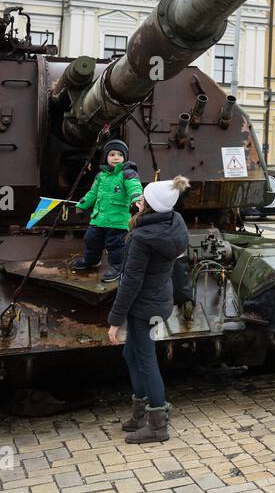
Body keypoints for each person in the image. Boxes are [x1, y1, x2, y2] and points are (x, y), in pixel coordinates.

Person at [108, 175, 191, 444]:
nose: (138, 200)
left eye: (143, 197)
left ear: (151, 205)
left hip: (144, 306)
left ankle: (157, 425)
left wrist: (115, 319)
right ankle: (142, 414)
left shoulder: (142, 238)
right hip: (157, 300)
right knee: (131, 355)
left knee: (146, 360)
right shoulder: (173, 222)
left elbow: (130, 282)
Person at [73, 140, 144, 282]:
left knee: (115, 245)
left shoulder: (128, 174)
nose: (116, 157)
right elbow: (93, 193)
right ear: (106, 157)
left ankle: (117, 267)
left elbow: (135, 188)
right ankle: (91, 260)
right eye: (112, 154)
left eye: (120, 155)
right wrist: (82, 205)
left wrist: (136, 200)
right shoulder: (101, 176)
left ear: (125, 158)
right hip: (98, 219)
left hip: (117, 221)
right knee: (91, 239)